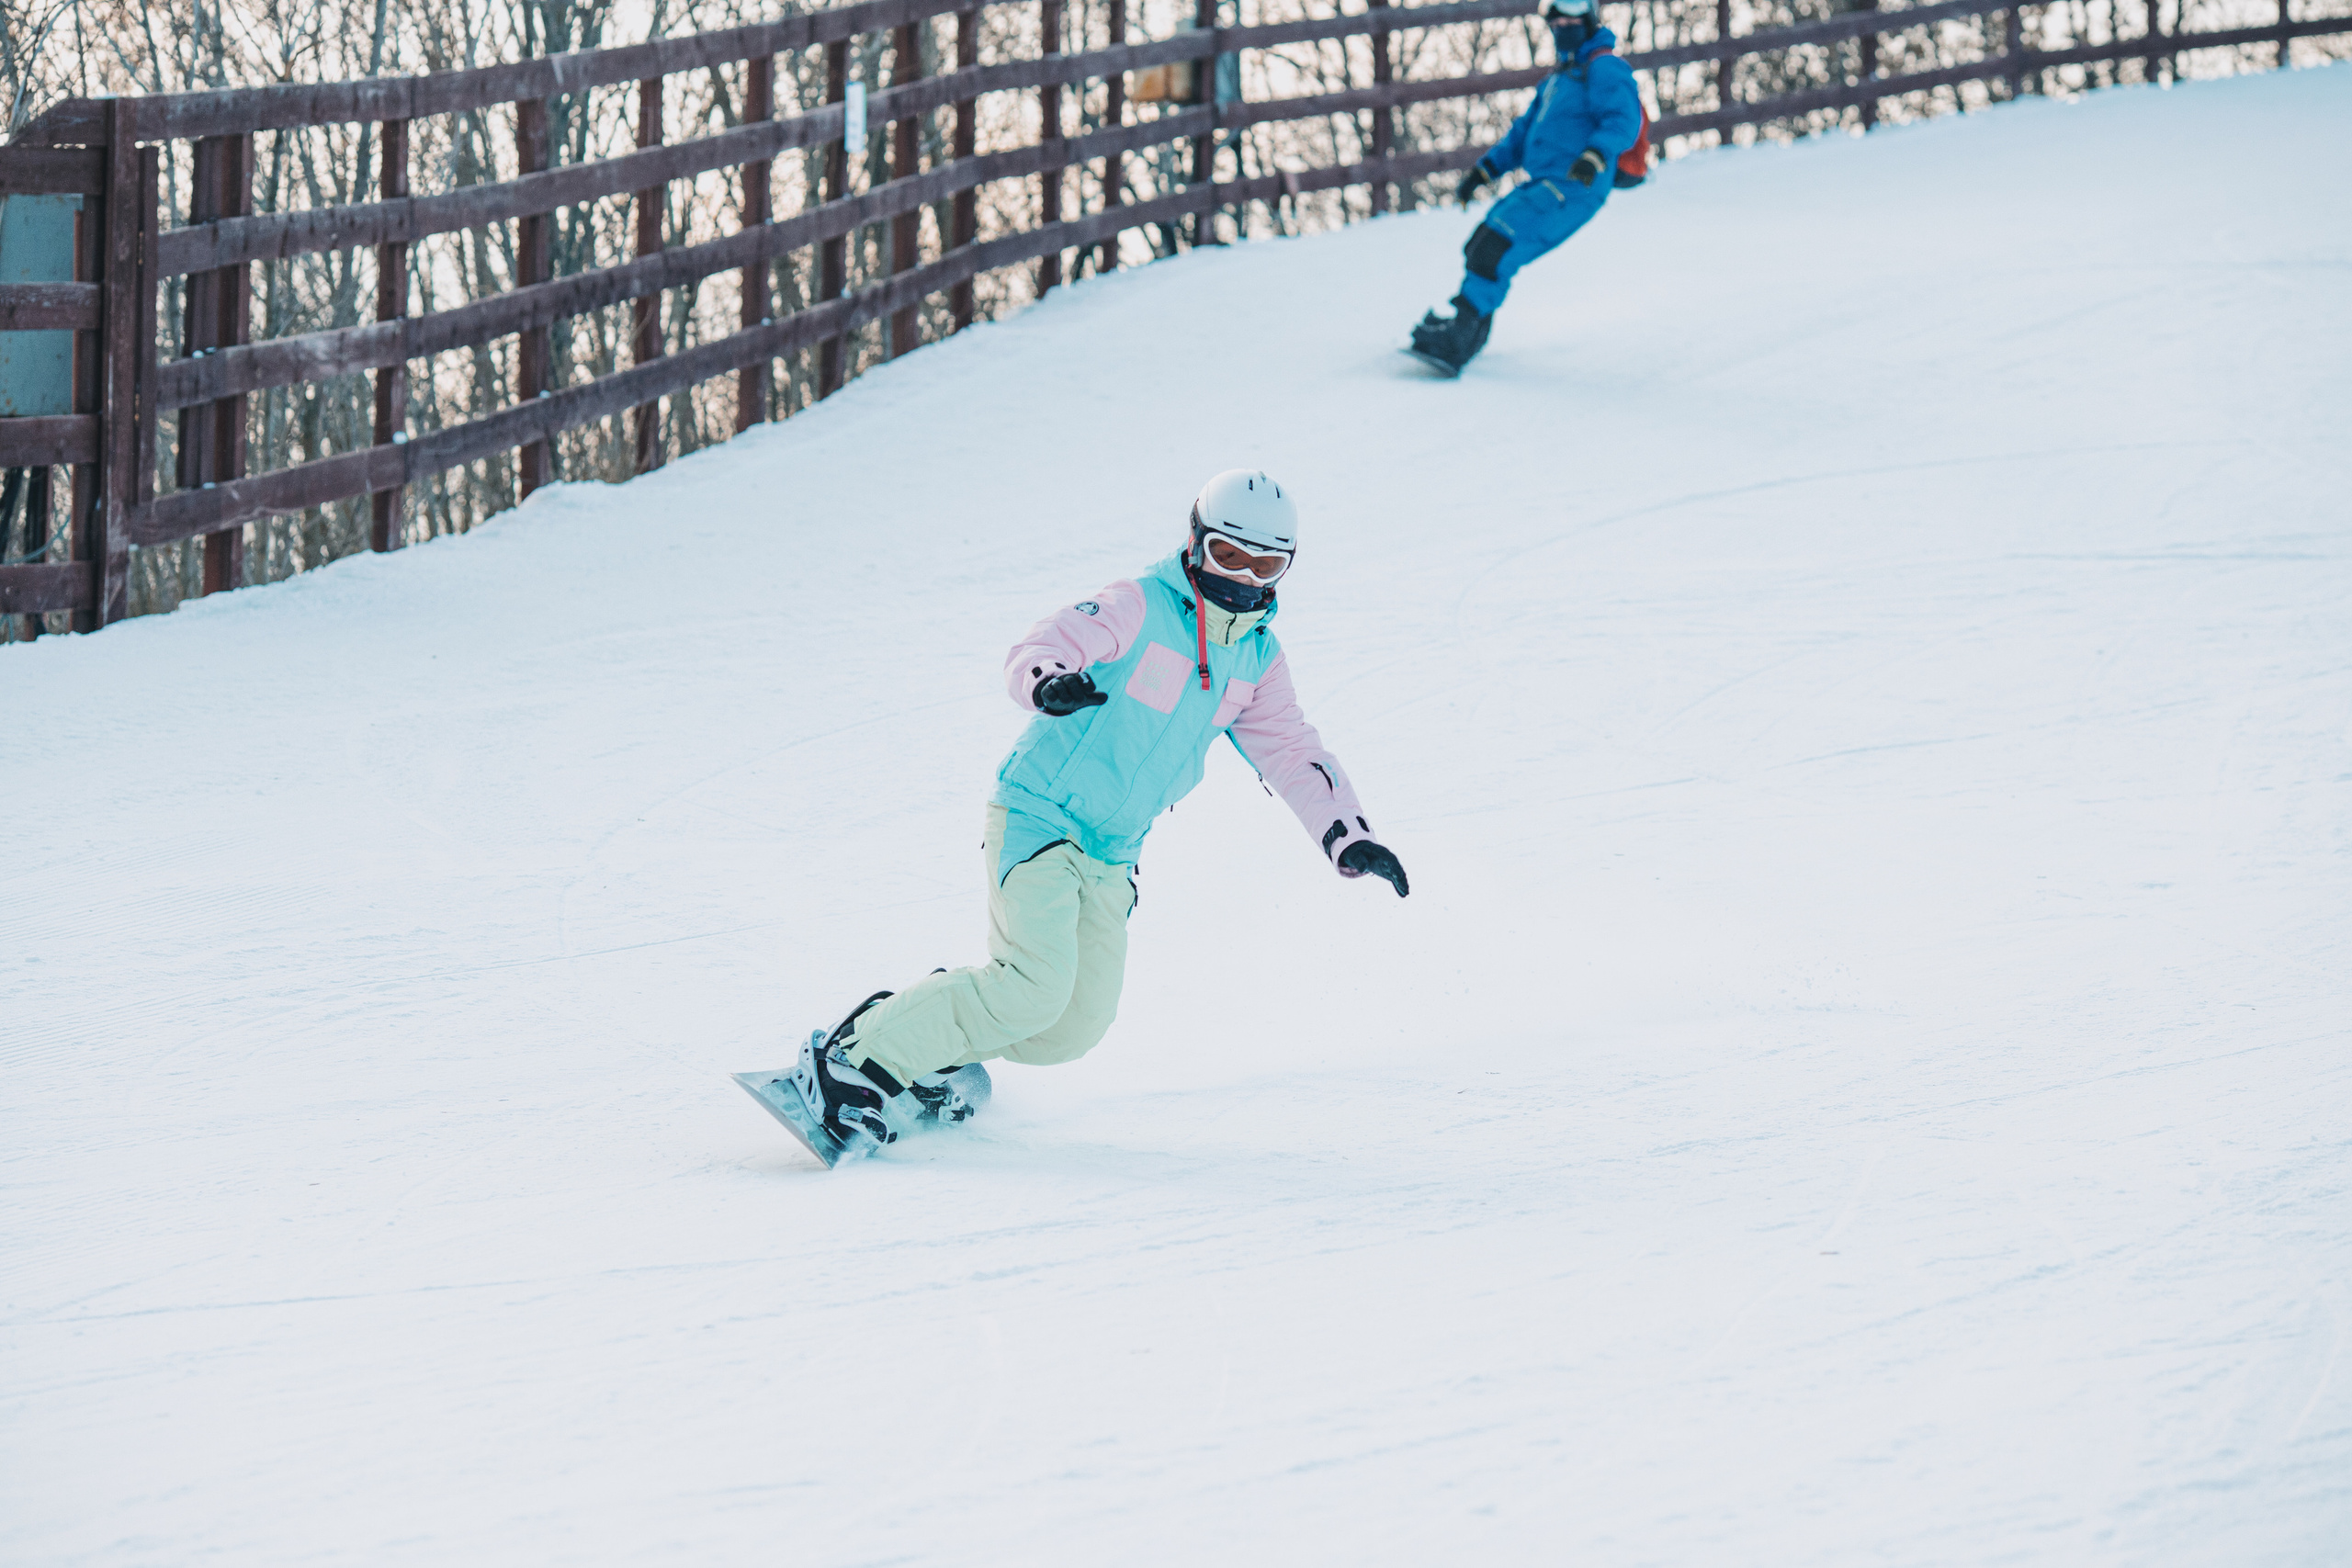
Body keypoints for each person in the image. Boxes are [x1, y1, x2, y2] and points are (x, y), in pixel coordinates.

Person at [744, 469, 1410, 1167]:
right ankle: (853, 1060)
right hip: (1040, 812)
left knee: (1072, 1025)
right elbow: (1044, 643)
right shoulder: (1142, 604)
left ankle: (929, 1045)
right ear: (1195, 541)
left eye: (1265, 563)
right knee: (1031, 986)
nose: (1244, 576)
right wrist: (1049, 680)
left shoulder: (1257, 659)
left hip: (1113, 851)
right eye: (1228, 555)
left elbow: (1295, 751)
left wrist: (1349, 834)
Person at [1407, 0, 1645, 377]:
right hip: (1544, 183)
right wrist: (1485, 171)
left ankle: (1460, 339)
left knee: (1497, 248)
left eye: (1572, 21)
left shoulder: (1604, 67)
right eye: (1558, 22)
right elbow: (1520, 137)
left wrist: (1596, 155)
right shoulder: (1558, 80)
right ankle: (1467, 326)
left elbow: (1623, 118)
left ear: (1588, 21)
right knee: (1482, 242)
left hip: (1576, 186)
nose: (1564, 28)